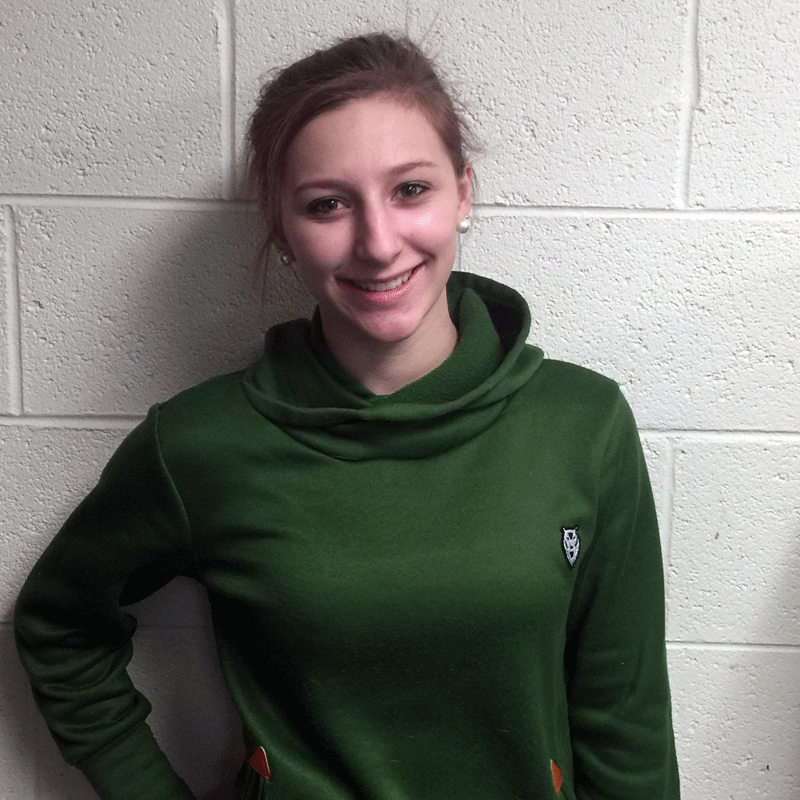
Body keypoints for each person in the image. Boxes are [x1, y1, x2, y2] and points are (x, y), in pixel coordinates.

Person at [15, 32, 681, 800]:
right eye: (328, 204)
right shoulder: (201, 446)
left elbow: (625, 721)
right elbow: (59, 625)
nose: (378, 243)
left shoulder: (583, 426)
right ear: (281, 227)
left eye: (411, 190)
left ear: (462, 194)